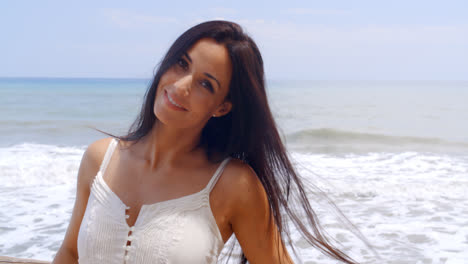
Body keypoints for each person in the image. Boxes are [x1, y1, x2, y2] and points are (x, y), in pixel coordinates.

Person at [52, 20, 360, 264]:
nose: (180, 86)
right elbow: (70, 254)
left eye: (204, 84)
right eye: (182, 64)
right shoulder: (99, 159)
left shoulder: (233, 184)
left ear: (222, 107)